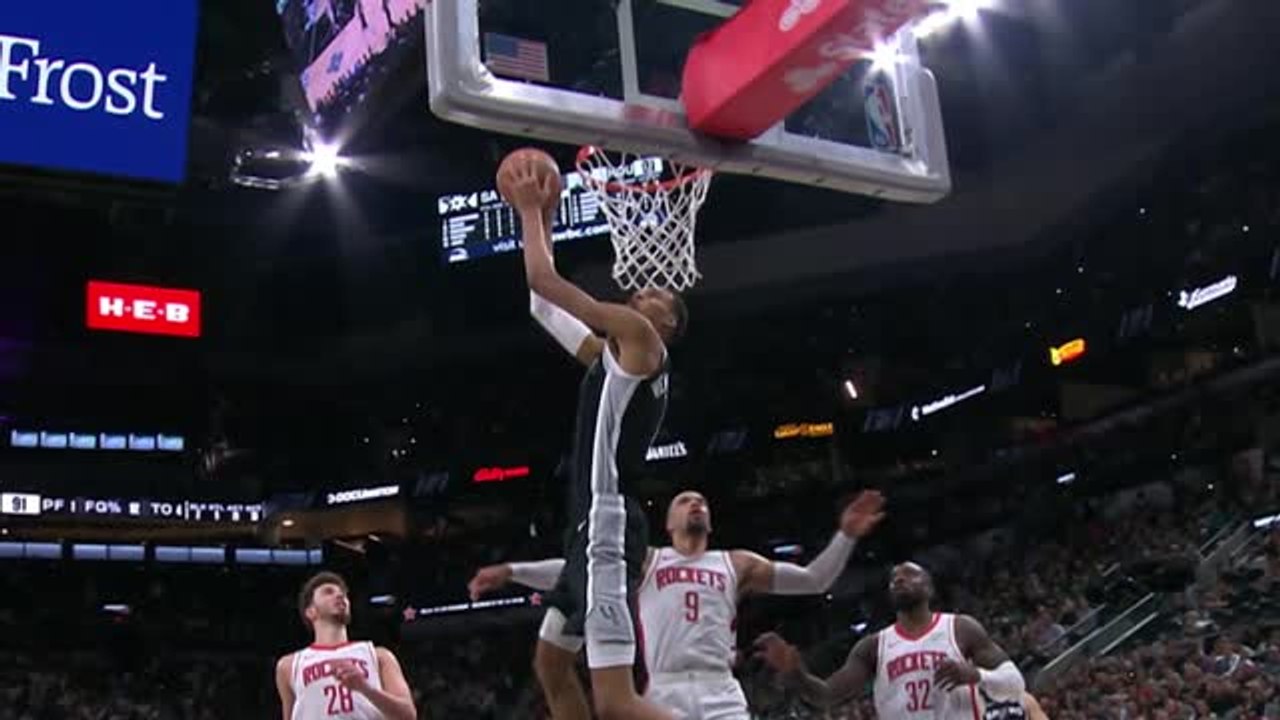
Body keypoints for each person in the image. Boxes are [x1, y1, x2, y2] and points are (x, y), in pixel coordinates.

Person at [504, 156, 688, 720]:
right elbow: (541, 306)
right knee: (551, 665)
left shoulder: (640, 341)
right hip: (588, 526)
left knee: (615, 701)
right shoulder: (612, 359)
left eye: (656, 292)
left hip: (606, 525)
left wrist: (530, 209)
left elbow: (544, 281)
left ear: (669, 323)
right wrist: (549, 218)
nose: (642, 292)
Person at [470, 488, 886, 719]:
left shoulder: (736, 563)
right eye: (686, 501)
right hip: (664, 689)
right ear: (669, 524)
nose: (697, 504)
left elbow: (815, 580)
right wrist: (511, 571)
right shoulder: (649, 560)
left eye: (702, 501)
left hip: (719, 688)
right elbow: (579, 570)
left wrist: (846, 535)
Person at [754, 562, 1026, 718]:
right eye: (894, 579)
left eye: (909, 575)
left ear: (929, 587)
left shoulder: (960, 628)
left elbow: (1016, 686)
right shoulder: (873, 646)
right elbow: (826, 695)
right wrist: (797, 673)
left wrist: (977, 675)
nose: (898, 580)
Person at [275, 572, 416, 720]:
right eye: (328, 592)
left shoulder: (378, 656)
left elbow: (408, 715)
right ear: (311, 611)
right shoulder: (289, 666)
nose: (340, 595)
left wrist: (365, 688)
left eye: (343, 594)